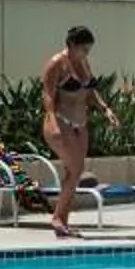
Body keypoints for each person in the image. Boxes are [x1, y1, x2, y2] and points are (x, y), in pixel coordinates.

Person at [37, 23, 118, 239]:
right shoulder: (56, 64)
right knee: (77, 169)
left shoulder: (83, 62)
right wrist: (52, 119)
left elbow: (90, 92)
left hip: (79, 124)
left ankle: (63, 222)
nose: (86, 53)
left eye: (88, 50)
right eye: (83, 49)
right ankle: (56, 218)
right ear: (71, 44)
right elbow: (47, 95)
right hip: (60, 122)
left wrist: (106, 110)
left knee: (73, 173)